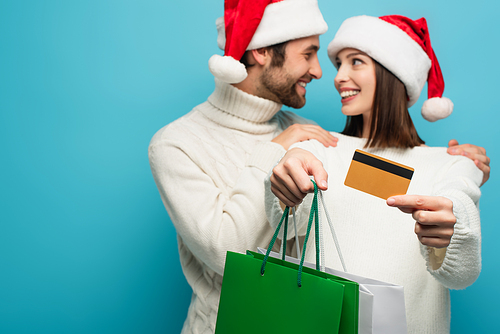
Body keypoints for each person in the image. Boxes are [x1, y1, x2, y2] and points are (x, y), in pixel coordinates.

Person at [149, 2, 489, 332]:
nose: (323, 73)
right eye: (309, 54)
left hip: (312, 317)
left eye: (354, 62)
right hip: (228, 323)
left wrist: (455, 168)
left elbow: (377, 193)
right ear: (262, 52)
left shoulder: (311, 135)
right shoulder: (177, 143)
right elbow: (229, 255)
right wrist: (274, 155)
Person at [266, 15, 485, 333]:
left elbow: (461, 273)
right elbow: (284, 223)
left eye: (356, 62)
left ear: (394, 74)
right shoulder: (320, 147)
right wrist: (285, 174)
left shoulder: (451, 164)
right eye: (339, 63)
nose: (339, 76)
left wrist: (453, 231)